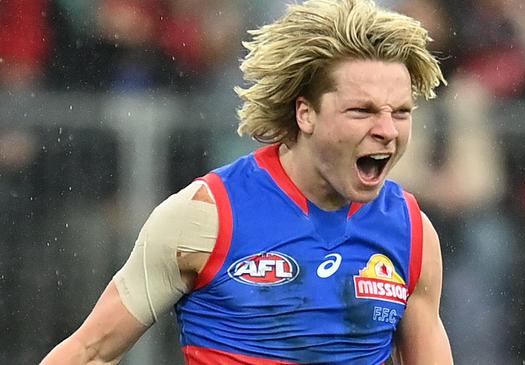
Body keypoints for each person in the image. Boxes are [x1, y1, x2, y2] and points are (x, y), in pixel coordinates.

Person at [41, 0, 453, 363]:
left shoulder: (412, 232)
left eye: (401, 112)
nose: (388, 130)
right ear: (305, 114)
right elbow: (90, 353)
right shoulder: (205, 216)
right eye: (362, 111)